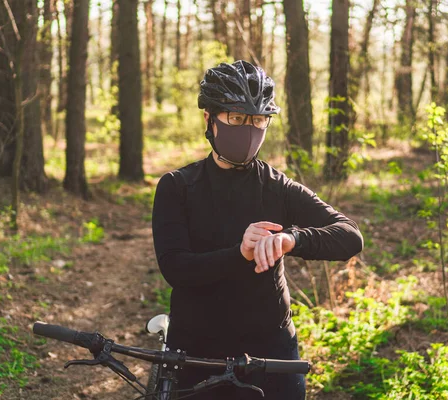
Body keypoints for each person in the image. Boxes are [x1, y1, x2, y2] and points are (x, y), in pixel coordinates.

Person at [151, 60, 363, 400]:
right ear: (210, 119)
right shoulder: (178, 187)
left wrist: (291, 238)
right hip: (196, 351)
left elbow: (350, 235)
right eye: (236, 118)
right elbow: (175, 268)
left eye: (259, 120)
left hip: (271, 352)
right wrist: (240, 253)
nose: (248, 129)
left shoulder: (277, 187)